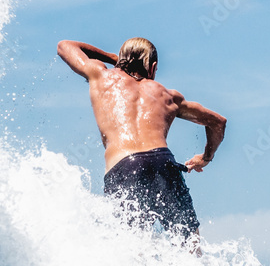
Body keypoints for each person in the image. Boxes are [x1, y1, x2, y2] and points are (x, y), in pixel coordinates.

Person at [57, 37, 226, 249]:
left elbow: (65, 46)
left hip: (125, 167)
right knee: (190, 248)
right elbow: (218, 122)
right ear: (153, 67)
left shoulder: (101, 76)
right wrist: (205, 157)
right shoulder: (168, 96)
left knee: (127, 251)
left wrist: (111, 58)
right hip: (164, 164)